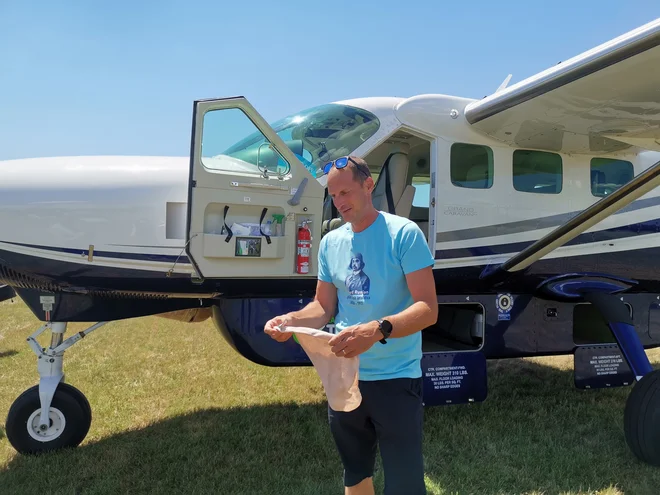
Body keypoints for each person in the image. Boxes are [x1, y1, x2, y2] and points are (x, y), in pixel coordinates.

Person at [264, 155, 437, 495]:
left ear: (368, 185)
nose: (340, 202)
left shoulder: (404, 234)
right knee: (355, 475)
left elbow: (428, 309)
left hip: (396, 377)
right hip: (344, 377)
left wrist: (377, 329)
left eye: (346, 192)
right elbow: (323, 306)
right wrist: (291, 321)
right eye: (334, 195)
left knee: (405, 484)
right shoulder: (330, 242)